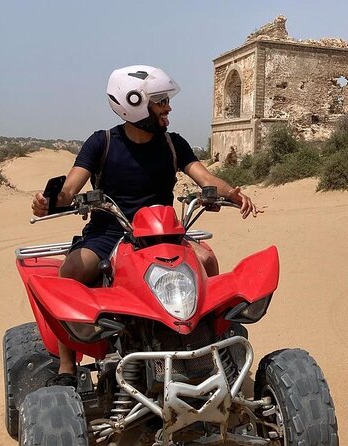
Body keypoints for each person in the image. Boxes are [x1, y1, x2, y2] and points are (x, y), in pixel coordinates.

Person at [31, 65, 261, 386]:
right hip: (110, 233)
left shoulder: (173, 144)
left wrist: (234, 194)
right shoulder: (102, 143)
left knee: (207, 260)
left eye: (166, 100)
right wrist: (50, 200)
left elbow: (206, 178)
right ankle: (67, 365)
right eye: (161, 101)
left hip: (163, 232)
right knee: (69, 272)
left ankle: (212, 341)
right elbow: (70, 189)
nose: (168, 107)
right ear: (135, 102)